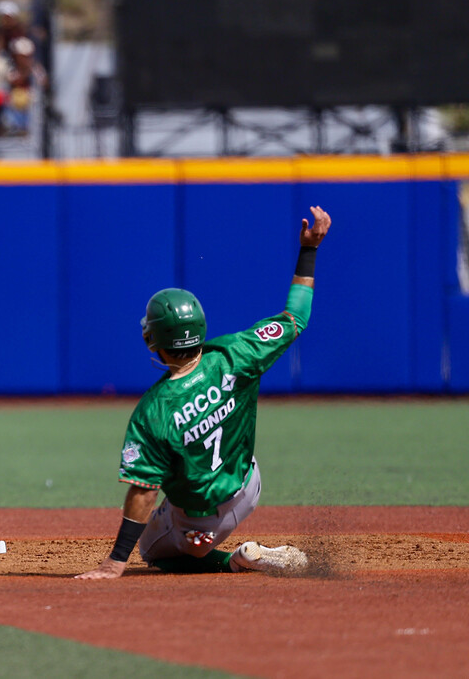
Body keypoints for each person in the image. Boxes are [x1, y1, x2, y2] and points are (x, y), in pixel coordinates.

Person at [76, 206, 332, 579]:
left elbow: (144, 491)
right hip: (249, 484)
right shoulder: (238, 352)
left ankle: (235, 558)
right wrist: (309, 249)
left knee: (151, 550)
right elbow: (297, 317)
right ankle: (215, 540)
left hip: (202, 519)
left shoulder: (154, 411)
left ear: (155, 342)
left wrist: (115, 562)